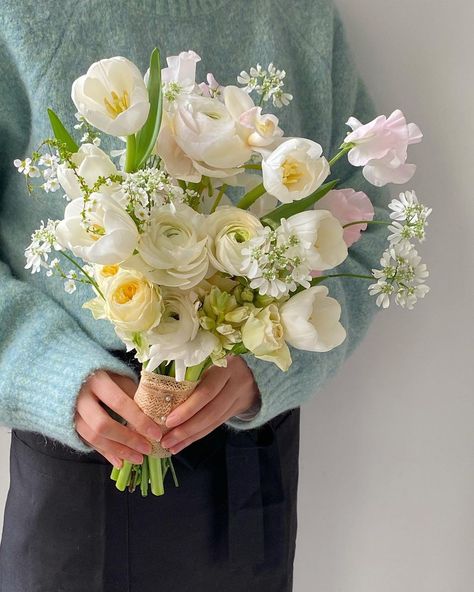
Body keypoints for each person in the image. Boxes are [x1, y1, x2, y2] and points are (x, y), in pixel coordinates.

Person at [0, 1, 389, 590]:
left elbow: (364, 230)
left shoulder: (301, 18)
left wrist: (267, 360)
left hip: (245, 447)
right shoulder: (23, 16)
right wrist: (44, 370)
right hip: (82, 443)